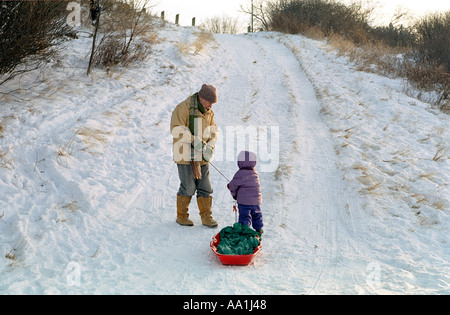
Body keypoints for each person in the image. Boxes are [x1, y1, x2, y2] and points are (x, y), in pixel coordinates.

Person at [170, 84, 219, 227]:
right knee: (189, 187)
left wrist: (210, 146)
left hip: (202, 155)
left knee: (205, 186)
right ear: (201, 98)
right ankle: (182, 216)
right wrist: (194, 141)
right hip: (185, 155)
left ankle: (206, 217)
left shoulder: (209, 111)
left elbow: (213, 130)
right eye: (209, 102)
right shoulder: (183, 108)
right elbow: (176, 129)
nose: (211, 106)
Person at [227, 151, 264, 233]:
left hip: (244, 202)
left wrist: (234, 195)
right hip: (256, 201)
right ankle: (259, 228)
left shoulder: (240, 174)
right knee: (256, 214)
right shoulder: (255, 173)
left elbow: (233, 186)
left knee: (245, 216)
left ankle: (244, 230)